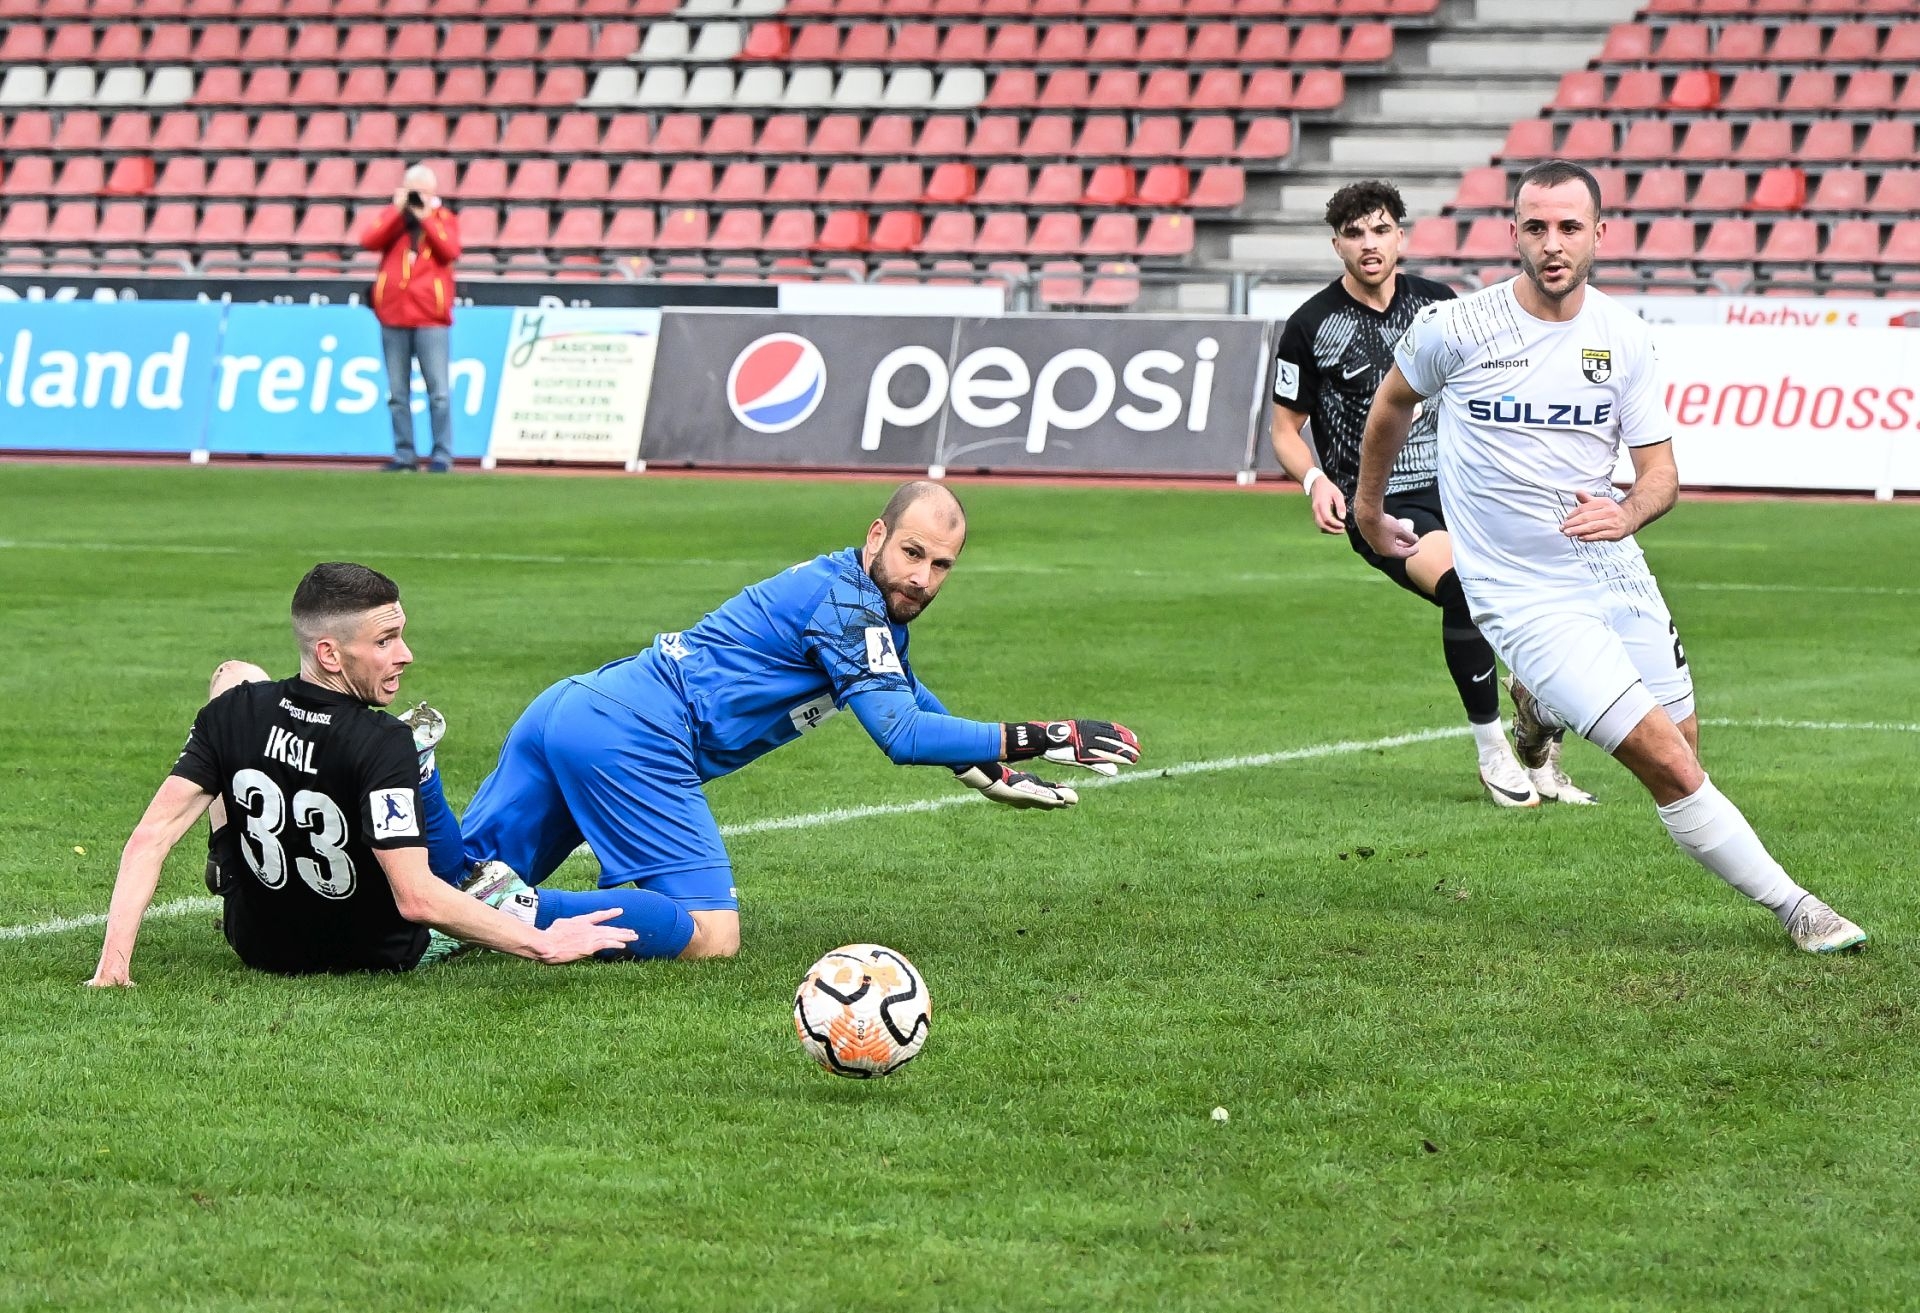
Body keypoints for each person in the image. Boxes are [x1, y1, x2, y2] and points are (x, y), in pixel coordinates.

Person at [1352, 159, 1866, 954]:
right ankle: (1799, 908)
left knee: (1685, 744)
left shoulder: (1623, 338)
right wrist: (1368, 506)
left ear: (1600, 232)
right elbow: (1391, 404)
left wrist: (1625, 512)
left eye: (1569, 227)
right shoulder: (1456, 327)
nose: (1552, 244)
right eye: (1536, 227)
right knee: (1669, 766)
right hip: (1520, 593)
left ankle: (1543, 709)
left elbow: (1661, 474)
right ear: (1513, 233)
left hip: (1612, 567)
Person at [458, 481, 1144, 963]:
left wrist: (986, 770)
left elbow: (905, 693)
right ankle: (525, 910)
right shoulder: (848, 609)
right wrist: (1046, 735)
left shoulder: (846, 589)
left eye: (942, 565)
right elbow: (901, 734)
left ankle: (465, 906)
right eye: (912, 553)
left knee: (448, 887)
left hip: (576, 706)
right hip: (634, 739)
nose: (923, 578)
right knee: (708, 935)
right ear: (877, 534)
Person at [86, 563, 634, 985]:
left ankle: (227, 857)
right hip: (373, 952)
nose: (406, 654)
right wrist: (543, 943)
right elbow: (417, 900)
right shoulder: (382, 740)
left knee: (234, 674)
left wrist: (113, 968)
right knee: (671, 922)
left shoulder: (233, 712)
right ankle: (483, 875)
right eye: (385, 641)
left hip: (258, 945)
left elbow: (149, 839)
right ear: (330, 654)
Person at [1271, 179, 1591, 810]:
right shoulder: (1309, 325)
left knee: (1546, 597)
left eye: (1380, 230)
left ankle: (1539, 741)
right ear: (1337, 245)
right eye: (1355, 234)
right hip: (1383, 502)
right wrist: (1314, 480)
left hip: (1467, 488)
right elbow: (1285, 429)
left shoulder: (1440, 305)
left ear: (1402, 236)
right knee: (1466, 590)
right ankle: (1493, 749)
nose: (1369, 244)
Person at [359, 164, 461, 474]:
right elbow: (369, 240)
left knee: (438, 392)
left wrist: (426, 217)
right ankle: (404, 454)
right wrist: (396, 210)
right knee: (397, 393)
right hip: (394, 315)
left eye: (421, 191)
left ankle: (442, 455)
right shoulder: (395, 221)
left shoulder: (444, 219)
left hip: (430, 316)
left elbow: (450, 250)